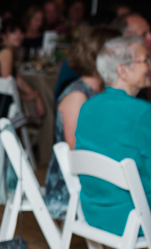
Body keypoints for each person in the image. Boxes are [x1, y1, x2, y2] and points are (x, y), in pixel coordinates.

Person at [76, 36, 151, 245]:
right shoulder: (146, 114)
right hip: (131, 218)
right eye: (145, 61)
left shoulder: (88, 107)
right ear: (123, 70)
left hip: (93, 209)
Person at [43, 25, 121, 219]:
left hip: (94, 176)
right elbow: (75, 153)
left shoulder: (102, 91)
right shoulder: (77, 96)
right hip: (70, 186)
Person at [0, 21, 44, 119]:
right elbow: (7, 84)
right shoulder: (6, 52)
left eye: (21, 32)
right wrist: (27, 96)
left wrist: (33, 94)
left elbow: (16, 77)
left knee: (34, 97)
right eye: (13, 32)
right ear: (3, 35)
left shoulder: (1, 49)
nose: (18, 36)